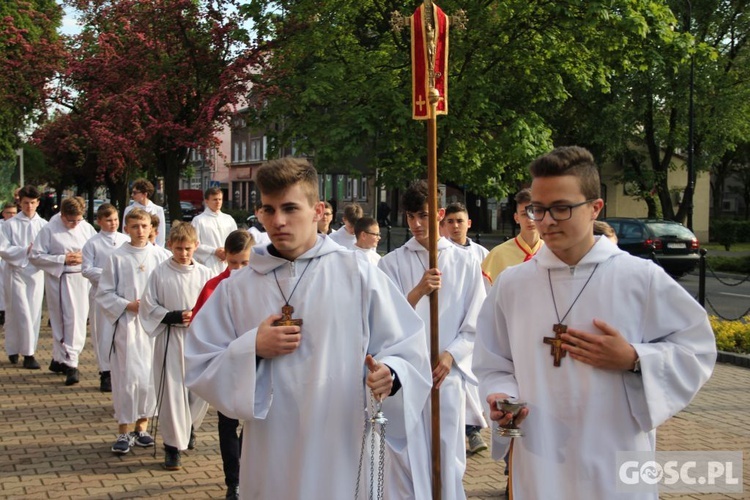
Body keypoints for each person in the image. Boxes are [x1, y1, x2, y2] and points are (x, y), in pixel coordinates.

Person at [473, 146, 717, 500]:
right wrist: (499, 396)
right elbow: (492, 362)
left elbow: (696, 350)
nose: (546, 221)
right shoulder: (513, 284)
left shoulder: (640, 278)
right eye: (537, 209)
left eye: (561, 208)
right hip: (540, 454)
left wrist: (634, 358)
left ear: (595, 208)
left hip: (615, 452)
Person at [184, 157, 431, 499]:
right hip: (272, 445)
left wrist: (391, 372)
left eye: (290, 208)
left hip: (341, 436)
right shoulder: (237, 288)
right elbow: (199, 361)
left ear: (317, 210)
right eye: (268, 210)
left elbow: (407, 344)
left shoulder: (358, 274)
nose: (278, 221)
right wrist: (252, 348)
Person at [378, 181, 487, 500]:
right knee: (405, 456)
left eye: (423, 215)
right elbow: (385, 320)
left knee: (446, 457)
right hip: (406, 376)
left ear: (439, 214)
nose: (415, 224)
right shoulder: (392, 263)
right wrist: (416, 292)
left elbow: (476, 319)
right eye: (410, 216)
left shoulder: (466, 262)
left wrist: (451, 356)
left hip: (445, 375)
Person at [140, 223, 212, 470]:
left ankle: (189, 426)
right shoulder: (160, 273)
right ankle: (172, 447)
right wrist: (171, 316)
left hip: (197, 338)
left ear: (197, 247)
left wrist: (199, 317)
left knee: (200, 389)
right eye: (179, 248)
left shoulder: (204, 273)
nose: (183, 254)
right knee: (171, 392)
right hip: (170, 336)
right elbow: (147, 306)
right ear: (170, 245)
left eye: (188, 249)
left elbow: (213, 305)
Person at [97, 208, 169, 455]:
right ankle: (123, 431)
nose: (140, 231)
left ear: (152, 228)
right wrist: (129, 305)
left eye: (145, 226)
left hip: (155, 325)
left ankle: (143, 427)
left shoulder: (161, 256)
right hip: (128, 326)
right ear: (126, 228)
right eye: (135, 226)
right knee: (126, 378)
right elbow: (104, 293)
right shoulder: (116, 257)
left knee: (150, 377)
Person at [191, 229, 254, 500]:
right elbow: (199, 327)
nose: (238, 269)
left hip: (256, 365)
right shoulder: (213, 286)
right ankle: (234, 480)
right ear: (224, 258)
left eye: (245, 263)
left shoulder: (263, 286)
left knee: (253, 424)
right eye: (233, 263)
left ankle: (248, 467)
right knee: (227, 422)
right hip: (226, 367)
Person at [438, 201, 489, 455]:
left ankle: (472, 430)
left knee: (471, 383)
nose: (455, 226)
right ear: (443, 224)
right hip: (448, 329)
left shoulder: (481, 255)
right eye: (450, 221)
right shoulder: (435, 256)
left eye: (460, 221)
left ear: (469, 223)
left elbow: (487, 294)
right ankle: (471, 432)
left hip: (472, 326)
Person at [30, 197, 97, 385]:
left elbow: (95, 248)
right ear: (62, 215)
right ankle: (71, 362)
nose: (75, 224)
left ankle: (60, 358)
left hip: (82, 279)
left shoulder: (86, 227)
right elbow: (35, 256)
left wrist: (83, 257)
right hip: (61, 278)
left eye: (78, 220)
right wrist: (62, 259)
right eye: (70, 220)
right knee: (64, 319)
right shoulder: (49, 229)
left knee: (78, 320)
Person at [82, 203, 130, 392]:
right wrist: (110, 275)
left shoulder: (125, 240)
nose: (113, 223)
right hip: (101, 294)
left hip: (123, 294)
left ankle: (122, 370)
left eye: (116, 219)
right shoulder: (92, 243)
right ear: (100, 221)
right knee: (103, 333)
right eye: (109, 220)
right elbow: (86, 269)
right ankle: (105, 372)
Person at [0, 186, 47, 368]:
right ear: (20, 203)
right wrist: (25, 250)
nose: (29, 206)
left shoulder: (43, 225)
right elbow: (3, 249)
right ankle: (25, 353)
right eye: (26, 203)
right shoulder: (9, 225)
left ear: (38, 203)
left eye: (33, 203)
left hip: (36, 273)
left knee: (34, 312)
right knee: (19, 312)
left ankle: (21, 349)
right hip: (16, 272)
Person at [481, 188, 543, 286]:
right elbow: (486, 294)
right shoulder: (498, 254)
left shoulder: (552, 252)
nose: (529, 220)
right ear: (516, 218)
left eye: (534, 213)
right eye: (524, 214)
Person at [191, 187, 238, 275]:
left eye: (220, 199)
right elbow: (194, 244)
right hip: (208, 263)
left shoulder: (229, 219)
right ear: (206, 201)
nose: (218, 202)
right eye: (215, 199)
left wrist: (227, 251)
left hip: (227, 262)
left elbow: (236, 241)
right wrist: (214, 251)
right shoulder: (198, 220)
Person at [122, 178, 167, 247]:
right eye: (132, 192)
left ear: (145, 194)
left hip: (152, 247)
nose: (132, 195)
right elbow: (125, 232)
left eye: (135, 193)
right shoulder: (129, 210)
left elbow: (161, 234)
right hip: (135, 247)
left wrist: (159, 249)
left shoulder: (158, 210)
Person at [0, 203, 18, 326]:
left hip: (13, 261)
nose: (11, 215)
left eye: (14, 213)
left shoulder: (17, 226)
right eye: (9, 213)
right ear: (3, 213)